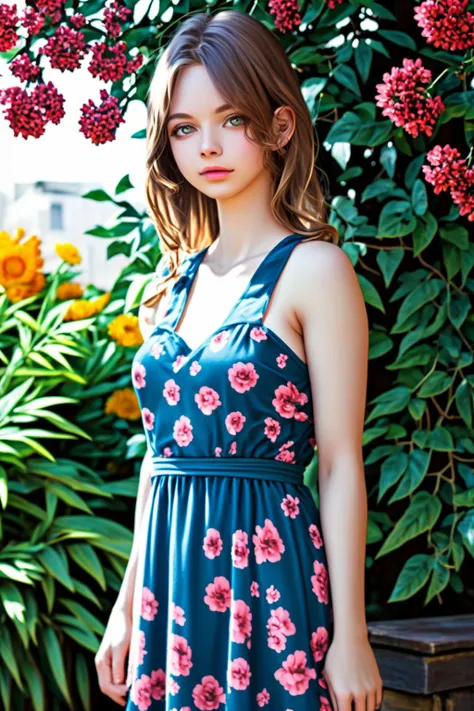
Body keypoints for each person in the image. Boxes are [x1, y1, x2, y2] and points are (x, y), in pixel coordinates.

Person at [95, 9, 383, 711]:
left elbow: (341, 461)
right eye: (184, 128)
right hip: (171, 587)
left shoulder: (315, 271)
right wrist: (126, 603)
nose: (207, 146)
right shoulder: (166, 285)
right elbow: (158, 456)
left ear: (280, 127)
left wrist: (353, 634)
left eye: (231, 119)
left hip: (268, 578)